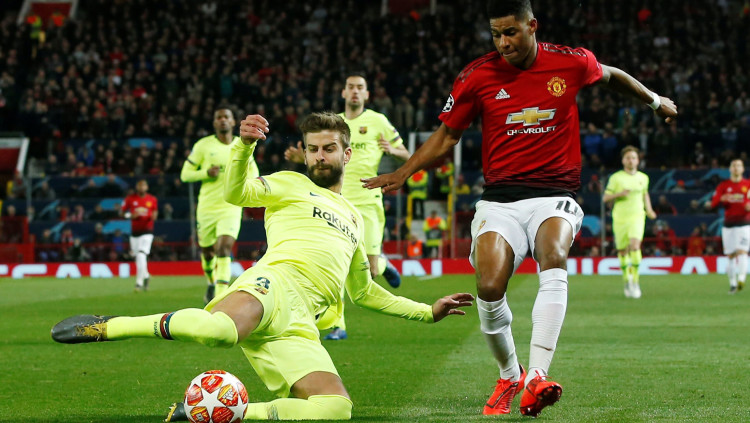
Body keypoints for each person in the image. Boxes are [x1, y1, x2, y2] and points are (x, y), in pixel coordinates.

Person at [362, 0, 678, 416]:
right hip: (500, 199)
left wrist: (654, 100)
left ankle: (537, 376)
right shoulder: (477, 76)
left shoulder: (570, 62)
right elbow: (447, 136)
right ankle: (510, 374)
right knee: (490, 285)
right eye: (496, 34)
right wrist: (405, 171)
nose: (503, 43)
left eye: (510, 32)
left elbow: (612, 75)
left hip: (555, 194)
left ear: (532, 26)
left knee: (553, 253)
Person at [51, 112, 473, 421]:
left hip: (301, 324)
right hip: (273, 285)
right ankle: (109, 326)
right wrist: (244, 147)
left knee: (335, 408)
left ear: (347, 153)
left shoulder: (355, 219)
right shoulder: (290, 183)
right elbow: (236, 193)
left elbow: (364, 292)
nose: (319, 156)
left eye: (328, 149)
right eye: (312, 149)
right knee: (218, 333)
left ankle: (219, 412)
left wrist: (426, 312)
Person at [285, 73, 410, 340]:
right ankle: (337, 325)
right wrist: (301, 158)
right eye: (350, 87)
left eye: (360, 87)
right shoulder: (335, 125)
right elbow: (319, 157)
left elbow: (407, 155)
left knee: (370, 270)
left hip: (368, 201)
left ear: (367, 94)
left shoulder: (378, 121)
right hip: (335, 201)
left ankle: (383, 264)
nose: (355, 91)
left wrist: (393, 150)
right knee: (334, 262)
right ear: (343, 93)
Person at [181, 108, 259, 303]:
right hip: (207, 208)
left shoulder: (242, 146)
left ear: (233, 122)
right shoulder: (203, 146)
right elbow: (185, 175)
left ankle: (219, 296)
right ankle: (211, 281)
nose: (223, 120)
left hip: (230, 207)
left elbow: (254, 175)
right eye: (219, 117)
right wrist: (205, 173)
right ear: (214, 122)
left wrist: (244, 185)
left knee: (224, 248)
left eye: (226, 117)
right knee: (208, 253)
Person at [603, 146, 657, 299]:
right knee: (622, 251)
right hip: (620, 218)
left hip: (637, 216)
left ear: (638, 160)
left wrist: (649, 210)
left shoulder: (643, 178)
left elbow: (645, 194)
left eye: (633, 158)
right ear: (623, 161)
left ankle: (635, 281)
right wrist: (620, 194)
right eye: (628, 158)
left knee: (635, 246)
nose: (631, 160)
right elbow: (605, 198)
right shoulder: (616, 178)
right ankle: (627, 279)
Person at [705, 159, 750, 294]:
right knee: (730, 255)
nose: (736, 168)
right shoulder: (723, 186)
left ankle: (741, 278)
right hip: (728, 224)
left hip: (744, 223)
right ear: (730, 169)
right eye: (733, 166)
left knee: (742, 251)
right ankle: (733, 284)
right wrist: (716, 201)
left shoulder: (748, 185)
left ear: (743, 169)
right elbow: (713, 202)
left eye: (739, 166)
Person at [121, 179, 158, 291]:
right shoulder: (130, 199)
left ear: (147, 187)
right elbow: (122, 213)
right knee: (138, 257)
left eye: (144, 186)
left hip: (147, 232)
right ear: (137, 187)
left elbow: (155, 213)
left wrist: (152, 216)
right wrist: (130, 216)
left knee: (141, 255)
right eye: (140, 186)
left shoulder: (152, 199)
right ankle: (146, 275)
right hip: (135, 233)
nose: (142, 188)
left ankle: (139, 283)